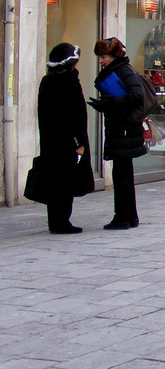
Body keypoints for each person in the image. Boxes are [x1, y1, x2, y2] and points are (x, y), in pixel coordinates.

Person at [36, 43, 95, 233]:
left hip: (50, 140)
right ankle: (61, 222)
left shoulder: (47, 82)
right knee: (66, 181)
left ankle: (55, 221)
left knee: (55, 181)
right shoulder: (69, 83)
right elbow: (76, 116)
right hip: (68, 141)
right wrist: (79, 142)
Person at [88, 37, 146, 229]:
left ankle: (122, 217)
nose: (100, 61)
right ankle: (129, 217)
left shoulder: (123, 71)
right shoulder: (117, 70)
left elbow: (136, 96)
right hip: (122, 127)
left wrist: (109, 103)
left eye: (103, 57)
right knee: (123, 173)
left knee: (122, 175)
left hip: (124, 129)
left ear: (113, 56)